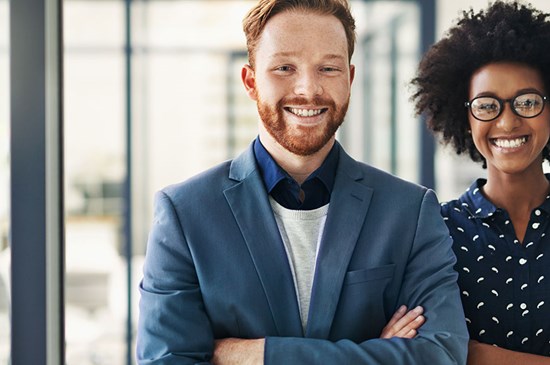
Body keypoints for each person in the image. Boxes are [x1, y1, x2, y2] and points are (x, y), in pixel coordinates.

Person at [136, 0, 468, 363]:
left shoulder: (410, 211)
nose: (308, 89)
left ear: (350, 79)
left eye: (328, 68)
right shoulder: (185, 214)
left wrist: (257, 355)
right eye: (284, 68)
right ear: (250, 81)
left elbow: (440, 354)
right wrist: (378, 352)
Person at [411, 1, 550, 364]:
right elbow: (430, 352)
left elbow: (456, 353)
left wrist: (476, 355)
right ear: (465, 116)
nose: (507, 123)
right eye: (488, 105)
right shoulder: (437, 230)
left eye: (528, 102)